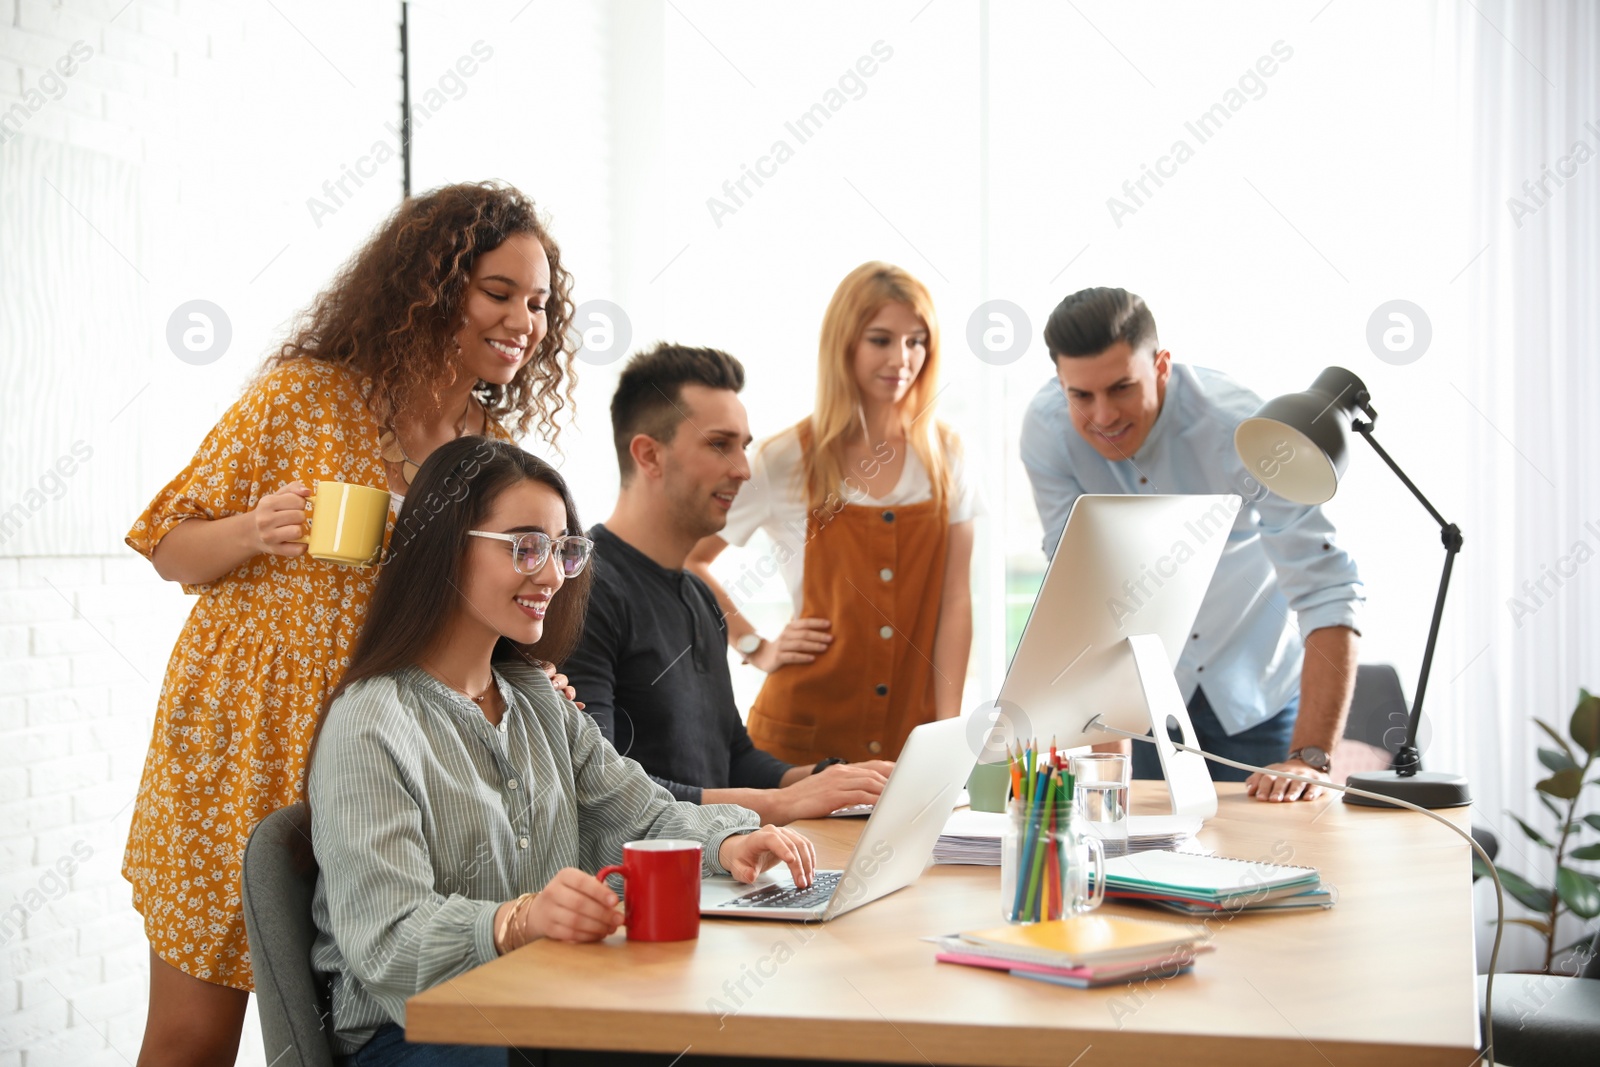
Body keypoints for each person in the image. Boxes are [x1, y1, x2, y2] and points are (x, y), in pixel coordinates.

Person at [122, 182, 582, 1065]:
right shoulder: (304, 396)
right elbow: (168, 543)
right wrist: (256, 529)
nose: (524, 319)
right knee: (192, 1039)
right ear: (431, 283)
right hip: (239, 740)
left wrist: (525, 681)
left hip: (382, 754)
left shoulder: (483, 447)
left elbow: (484, 597)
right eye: (498, 291)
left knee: (334, 1020)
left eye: (538, 301)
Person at [310, 438, 813, 1064]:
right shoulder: (370, 722)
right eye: (525, 546)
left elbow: (643, 817)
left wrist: (733, 842)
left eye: (561, 550)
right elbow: (388, 942)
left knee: (758, 1035)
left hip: (544, 1002)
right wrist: (520, 921)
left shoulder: (536, 697)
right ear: (443, 549)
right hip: (421, 1034)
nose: (550, 574)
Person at [1018, 287, 1364, 803]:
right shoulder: (1047, 432)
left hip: (1254, 697)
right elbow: (1081, 588)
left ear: (1161, 366)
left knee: (1269, 869)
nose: (1104, 415)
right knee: (1138, 872)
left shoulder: (1244, 428)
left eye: (1121, 388)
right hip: (1140, 708)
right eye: (1080, 396)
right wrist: (1107, 752)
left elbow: (1327, 587)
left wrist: (1311, 759)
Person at [562, 342, 895, 824]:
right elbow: (601, 788)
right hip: (646, 885)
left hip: (721, 865)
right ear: (649, 455)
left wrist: (832, 780)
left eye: (744, 445)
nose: (742, 469)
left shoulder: (697, 596)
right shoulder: (586, 590)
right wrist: (780, 804)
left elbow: (733, 758)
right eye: (719, 444)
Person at [687, 262, 979, 765]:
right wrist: (756, 645)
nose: (902, 359)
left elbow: (954, 601)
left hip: (911, 743)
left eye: (916, 341)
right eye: (881, 340)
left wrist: (947, 733)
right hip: (798, 745)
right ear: (845, 344)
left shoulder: (948, 455)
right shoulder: (785, 458)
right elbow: (689, 560)